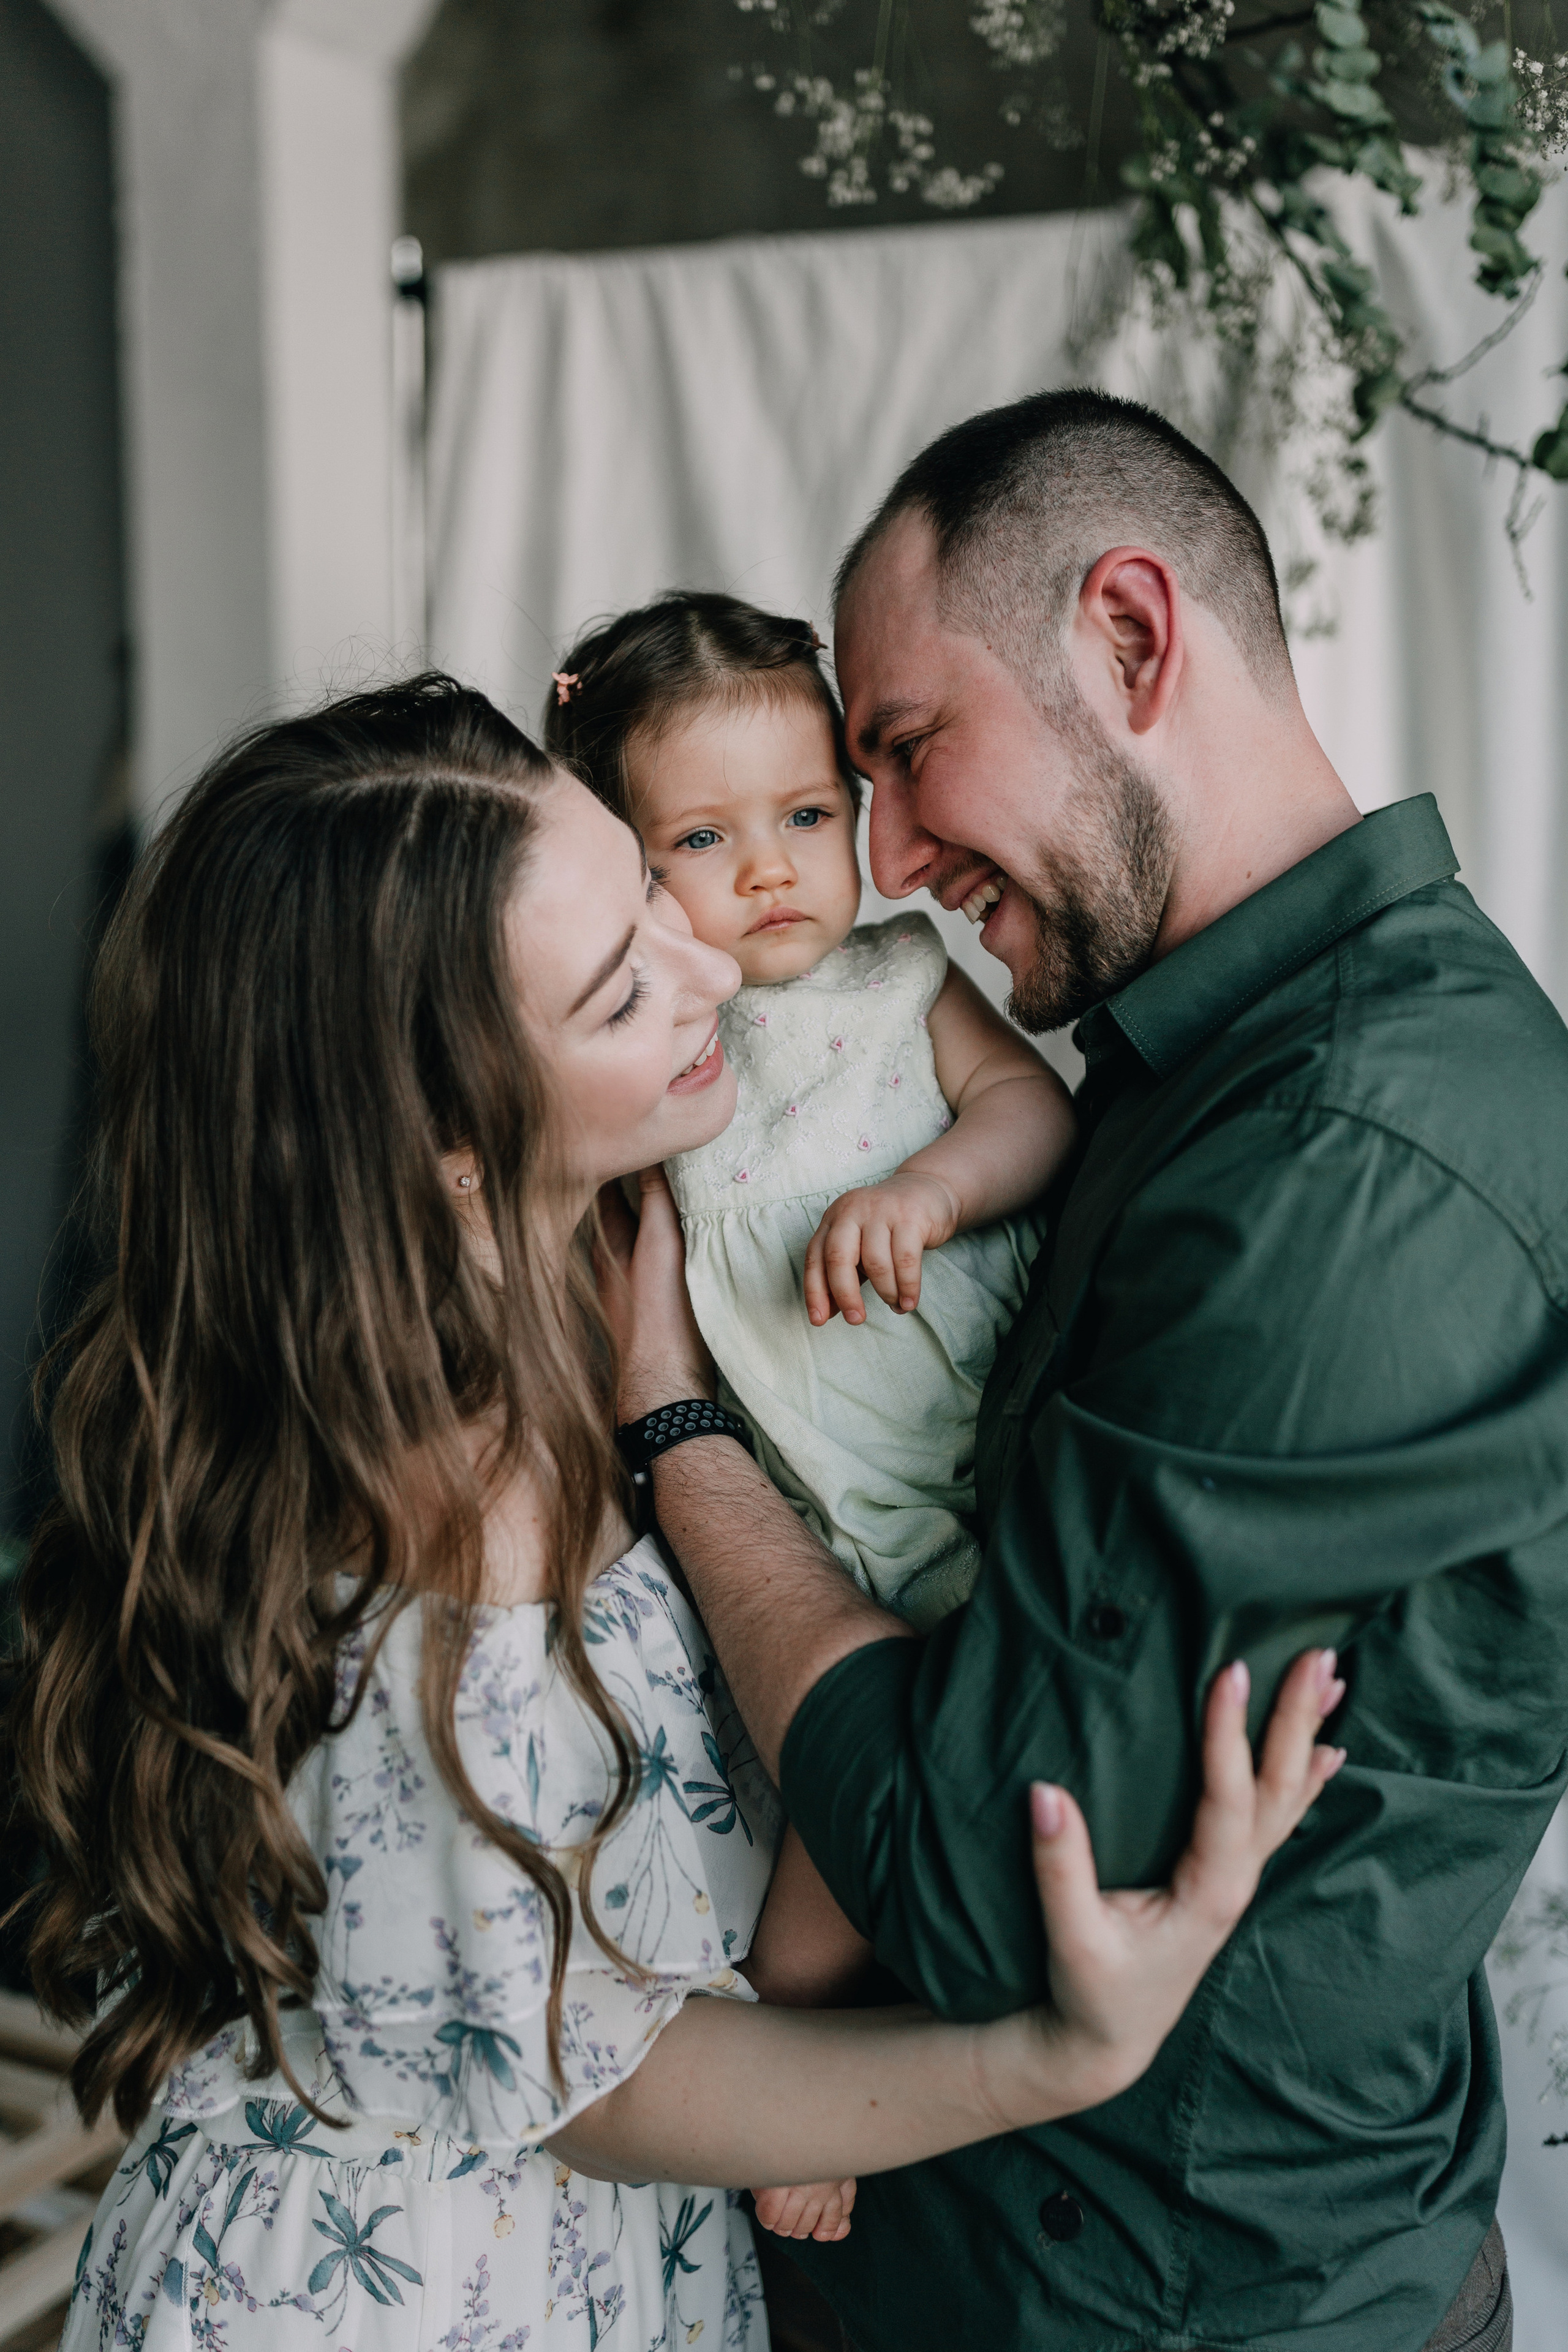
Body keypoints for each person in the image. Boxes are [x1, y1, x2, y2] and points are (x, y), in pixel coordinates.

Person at [6, 680, 1343, 2352]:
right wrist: (1053, 2058)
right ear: (447, 1145)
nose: (719, 961)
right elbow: (598, 2078)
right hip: (416, 2293)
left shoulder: (623, 1244)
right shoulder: (447, 1503)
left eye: (651, 888)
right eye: (629, 982)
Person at [609, 390, 1568, 2352]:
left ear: (1132, 639)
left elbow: (973, 1874)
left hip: (1159, 2295)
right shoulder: (1185, 1062)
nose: (872, 855)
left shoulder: (1343, 1162)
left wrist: (678, 1430)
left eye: (902, 751)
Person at [546, 591, 1074, 1633]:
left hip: (983, 1437)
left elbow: (1034, 1109)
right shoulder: (649, 1041)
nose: (771, 868)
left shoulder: (902, 979)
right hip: (789, 1501)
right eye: (702, 837)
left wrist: (933, 1189)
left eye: (807, 815)